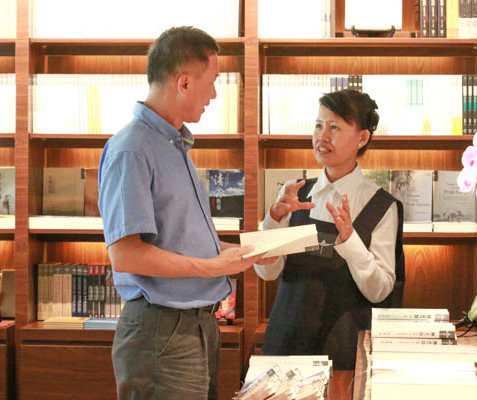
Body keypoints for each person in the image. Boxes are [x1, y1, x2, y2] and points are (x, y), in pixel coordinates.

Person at [98, 26, 268, 400]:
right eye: (213, 82)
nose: (215, 93)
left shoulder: (175, 145)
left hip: (195, 326)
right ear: (185, 83)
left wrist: (239, 251)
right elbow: (125, 254)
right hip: (162, 329)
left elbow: (179, 238)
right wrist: (212, 268)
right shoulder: (132, 149)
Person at [254, 89, 406, 370]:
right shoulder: (295, 194)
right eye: (318, 125)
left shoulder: (382, 206)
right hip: (285, 344)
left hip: (345, 351)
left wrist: (349, 241)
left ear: (362, 137)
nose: (322, 137)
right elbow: (267, 272)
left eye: (334, 127)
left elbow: (381, 290)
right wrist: (274, 217)